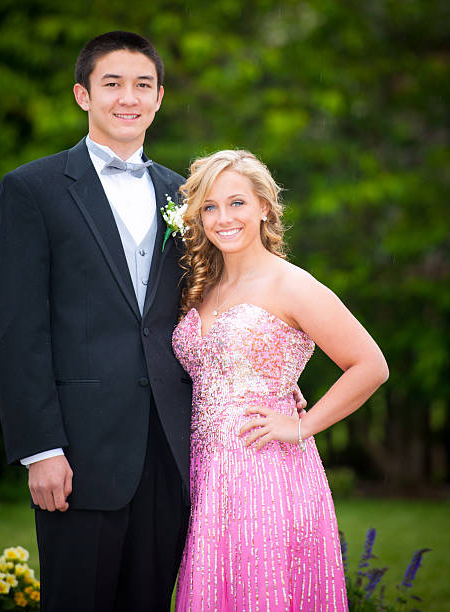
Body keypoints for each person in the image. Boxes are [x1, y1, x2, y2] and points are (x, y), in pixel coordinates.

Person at [0, 31, 193, 612]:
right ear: (83, 95)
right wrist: (40, 448)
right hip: (76, 452)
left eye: (143, 85)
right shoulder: (33, 189)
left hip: (168, 448)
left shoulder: (183, 193)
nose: (128, 97)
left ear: (159, 99)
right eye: (112, 84)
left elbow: (203, 309)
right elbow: (16, 332)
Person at [172, 149, 389, 611]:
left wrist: (300, 426)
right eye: (209, 207)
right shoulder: (201, 288)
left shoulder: (291, 284)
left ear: (264, 207)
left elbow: (371, 365)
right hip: (206, 475)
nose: (223, 218)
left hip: (266, 473)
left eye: (237, 203)